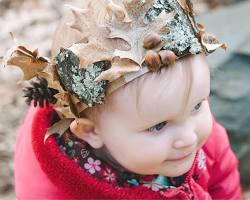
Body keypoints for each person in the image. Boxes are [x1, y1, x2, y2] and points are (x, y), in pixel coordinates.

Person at [11, 0, 242, 199]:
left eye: (197, 106)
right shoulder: (54, 193)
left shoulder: (188, 127)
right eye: (158, 126)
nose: (190, 137)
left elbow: (223, 181)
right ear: (90, 131)